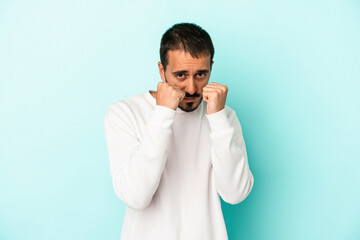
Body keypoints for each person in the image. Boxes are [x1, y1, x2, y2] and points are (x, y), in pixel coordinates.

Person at [104, 22, 254, 240]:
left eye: (201, 74)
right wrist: (163, 113)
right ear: (161, 70)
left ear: (211, 67)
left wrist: (218, 118)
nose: (192, 88)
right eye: (181, 75)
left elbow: (235, 194)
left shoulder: (224, 116)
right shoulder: (125, 113)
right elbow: (136, 196)